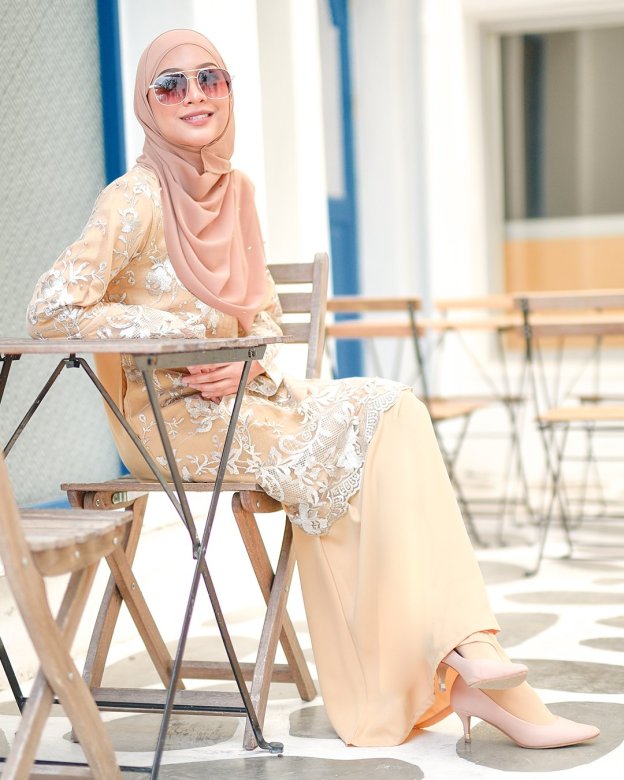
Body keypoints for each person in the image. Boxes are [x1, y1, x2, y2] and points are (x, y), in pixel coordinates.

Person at [26, 29, 599, 750]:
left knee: (395, 409)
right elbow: (52, 306)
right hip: (169, 424)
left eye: (211, 78)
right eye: (170, 85)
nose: (195, 95)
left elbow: (262, 316)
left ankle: (469, 650)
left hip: (246, 402)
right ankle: (465, 675)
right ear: (146, 105)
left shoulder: (235, 193)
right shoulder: (133, 198)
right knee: (351, 452)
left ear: (228, 91)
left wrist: (245, 364)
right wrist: (175, 334)